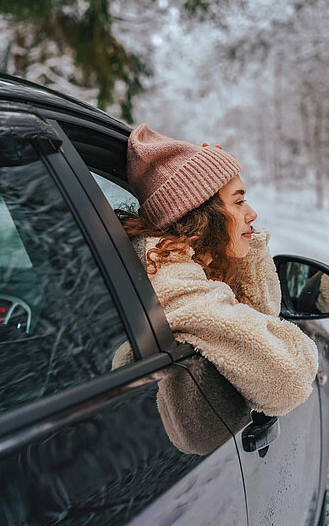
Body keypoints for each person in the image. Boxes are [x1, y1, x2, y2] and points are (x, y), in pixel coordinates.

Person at [112, 123, 318, 417]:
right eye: (239, 201)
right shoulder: (173, 282)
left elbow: (259, 316)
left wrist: (242, 245)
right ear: (203, 216)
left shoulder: (196, 267)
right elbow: (290, 378)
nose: (253, 214)